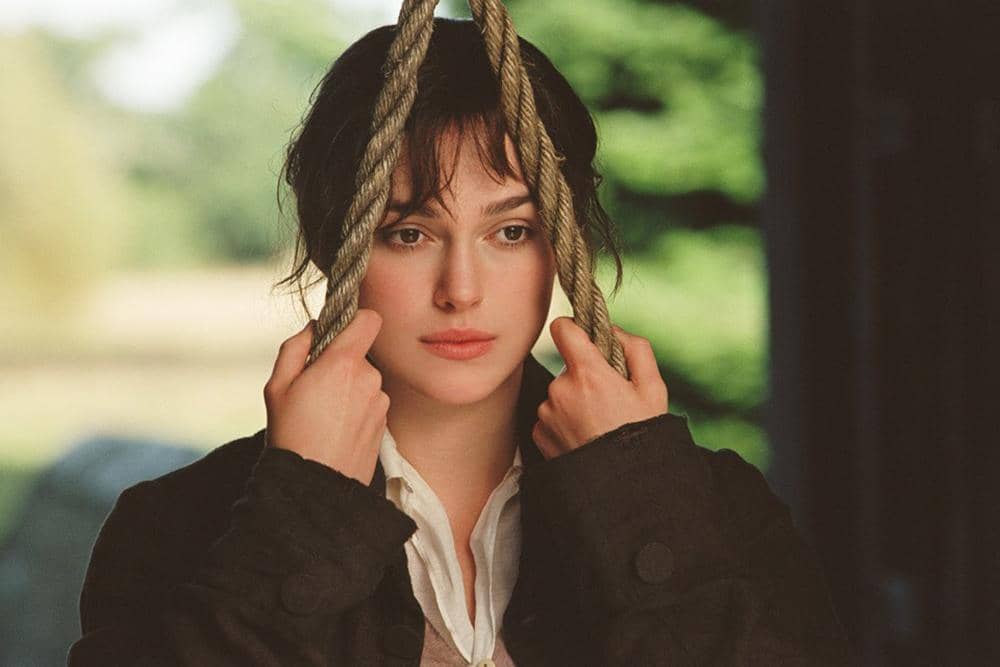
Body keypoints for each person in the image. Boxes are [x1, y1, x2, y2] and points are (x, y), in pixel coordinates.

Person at [69, 17, 854, 667]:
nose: (463, 289)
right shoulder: (176, 526)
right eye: (409, 233)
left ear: (565, 245)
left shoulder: (715, 512)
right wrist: (301, 517)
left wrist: (637, 508)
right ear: (336, 246)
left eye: (511, 231)